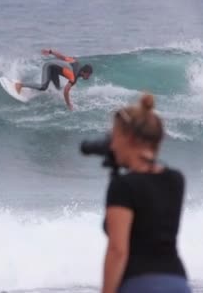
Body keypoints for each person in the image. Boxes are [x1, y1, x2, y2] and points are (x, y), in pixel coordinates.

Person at [102, 93, 190, 293]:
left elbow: (118, 250)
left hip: (139, 284)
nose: (112, 145)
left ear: (130, 138)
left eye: (115, 137)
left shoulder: (123, 186)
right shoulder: (176, 180)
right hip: (177, 282)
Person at [15, 49, 93, 110]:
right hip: (49, 66)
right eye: (88, 75)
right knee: (43, 87)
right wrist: (69, 105)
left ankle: (32, 89)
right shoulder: (74, 76)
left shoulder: (76, 63)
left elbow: (62, 57)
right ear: (84, 72)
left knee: (58, 88)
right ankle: (20, 85)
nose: (88, 77)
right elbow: (66, 91)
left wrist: (50, 51)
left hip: (54, 71)